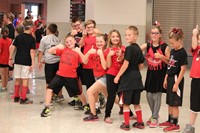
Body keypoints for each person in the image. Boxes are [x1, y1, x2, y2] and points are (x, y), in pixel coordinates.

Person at [40, 35, 93, 117]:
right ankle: (46, 108)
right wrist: (58, 46)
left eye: (70, 41)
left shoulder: (77, 51)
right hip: (59, 75)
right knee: (49, 89)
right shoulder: (63, 50)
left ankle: (85, 105)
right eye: (67, 42)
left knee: (78, 92)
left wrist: (81, 52)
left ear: (75, 41)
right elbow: (50, 51)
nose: (69, 43)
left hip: (71, 77)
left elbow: (85, 61)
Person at [114, 26, 145, 131]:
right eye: (126, 34)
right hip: (137, 77)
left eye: (129, 34)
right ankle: (140, 122)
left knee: (126, 103)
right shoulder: (138, 49)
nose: (127, 36)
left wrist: (118, 76)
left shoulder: (129, 48)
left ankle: (126, 124)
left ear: (136, 36)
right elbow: (141, 65)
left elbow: (125, 64)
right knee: (136, 103)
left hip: (128, 79)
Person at [140, 21, 170, 128]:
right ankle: (154, 114)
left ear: (160, 35)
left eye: (156, 33)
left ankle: (155, 117)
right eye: (152, 33)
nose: (154, 35)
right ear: (150, 34)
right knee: (148, 95)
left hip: (161, 73)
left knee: (157, 95)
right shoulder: (147, 45)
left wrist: (161, 57)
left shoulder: (165, 47)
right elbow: (136, 50)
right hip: (151, 72)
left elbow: (170, 62)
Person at [159, 27, 188, 132]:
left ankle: (175, 124)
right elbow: (169, 65)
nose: (171, 45)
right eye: (170, 43)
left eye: (173, 43)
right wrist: (166, 78)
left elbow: (183, 69)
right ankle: (170, 120)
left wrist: (177, 84)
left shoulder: (182, 53)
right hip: (170, 78)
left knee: (175, 103)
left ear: (179, 40)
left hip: (176, 79)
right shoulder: (172, 51)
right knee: (170, 101)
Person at [9, 20, 36, 104]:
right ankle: (23, 98)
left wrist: (10, 58)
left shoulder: (18, 37)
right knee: (25, 79)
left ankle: (16, 97)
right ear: (31, 28)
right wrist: (33, 63)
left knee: (17, 79)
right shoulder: (32, 39)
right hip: (26, 62)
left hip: (17, 61)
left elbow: (12, 47)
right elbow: (32, 51)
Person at [83, 34, 108, 121]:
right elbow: (84, 61)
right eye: (97, 41)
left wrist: (101, 54)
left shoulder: (106, 51)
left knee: (90, 91)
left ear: (105, 42)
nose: (99, 43)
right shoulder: (94, 51)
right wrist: (89, 53)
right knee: (109, 96)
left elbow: (105, 67)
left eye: (101, 41)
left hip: (104, 77)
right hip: (96, 77)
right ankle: (123, 108)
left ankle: (93, 114)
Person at [38, 23, 64, 103]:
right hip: (58, 62)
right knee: (57, 80)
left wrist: (39, 61)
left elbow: (41, 51)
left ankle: (48, 99)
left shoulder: (44, 39)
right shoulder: (58, 40)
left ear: (48, 30)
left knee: (48, 81)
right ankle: (59, 96)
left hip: (49, 63)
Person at [104, 29, 125, 123]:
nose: (115, 38)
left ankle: (127, 112)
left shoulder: (124, 48)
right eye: (113, 37)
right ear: (110, 39)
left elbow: (125, 63)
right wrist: (109, 56)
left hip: (122, 75)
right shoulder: (108, 50)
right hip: (111, 75)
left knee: (122, 95)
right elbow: (108, 66)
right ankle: (107, 115)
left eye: (117, 36)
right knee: (111, 95)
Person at [182, 25, 200, 133]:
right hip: (197, 80)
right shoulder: (196, 49)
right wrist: (194, 34)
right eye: (199, 39)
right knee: (194, 104)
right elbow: (193, 45)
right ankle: (190, 126)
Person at [0, 27, 12, 92]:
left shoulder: (0, 41)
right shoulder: (10, 40)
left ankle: (3, 86)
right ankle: (6, 86)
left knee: (2, 74)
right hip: (8, 60)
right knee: (6, 74)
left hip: (1, 60)